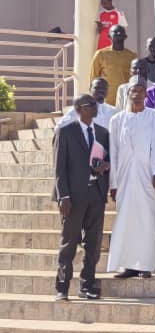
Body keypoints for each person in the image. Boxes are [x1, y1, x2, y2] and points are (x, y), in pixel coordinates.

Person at [53, 94, 110, 300]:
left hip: (96, 194)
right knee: (69, 243)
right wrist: (63, 196)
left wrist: (105, 166)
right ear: (79, 109)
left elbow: (108, 161)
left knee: (93, 244)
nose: (95, 108)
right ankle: (62, 288)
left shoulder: (103, 133)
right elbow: (59, 168)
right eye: (90, 105)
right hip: (73, 197)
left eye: (95, 105)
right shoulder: (66, 132)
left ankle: (87, 285)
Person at [106, 79, 155, 279]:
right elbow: (113, 153)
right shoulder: (116, 120)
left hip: (147, 176)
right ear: (127, 93)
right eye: (134, 90)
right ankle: (128, 265)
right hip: (124, 178)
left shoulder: (154, 116)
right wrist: (113, 183)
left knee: (147, 219)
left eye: (141, 90)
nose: (137, 94)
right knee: (126, 221)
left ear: (146, 94)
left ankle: (146, 265)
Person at [90, 25, 137, 104]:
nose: (118, 34)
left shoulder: (132, 56)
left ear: (125, 37)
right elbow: (93, 77)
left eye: (121, 32)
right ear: (109, 36)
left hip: (125, 99)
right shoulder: (100, 54)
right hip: (106, 100)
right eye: (115, 32)